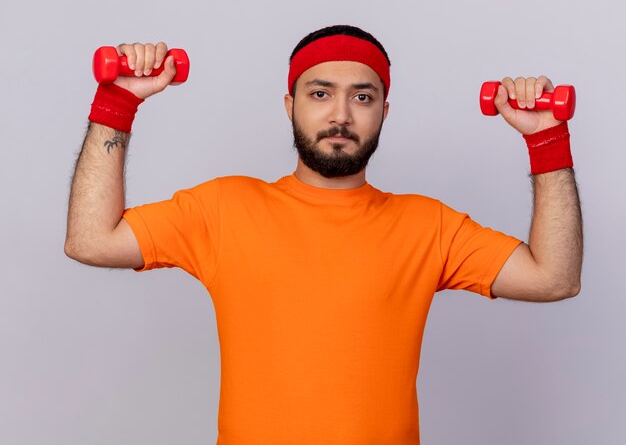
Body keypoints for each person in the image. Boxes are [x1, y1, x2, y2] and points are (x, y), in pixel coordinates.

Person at [65, 25, 583, 445]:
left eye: (362, 96)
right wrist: (116, 103)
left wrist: (546, 139)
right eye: (320, 93)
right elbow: (91, 240)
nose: (340, 114)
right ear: (290, 105)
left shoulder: (428, 225)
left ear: (384, 112)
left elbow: (553, 278)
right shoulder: (223, 208)